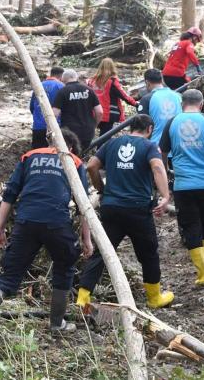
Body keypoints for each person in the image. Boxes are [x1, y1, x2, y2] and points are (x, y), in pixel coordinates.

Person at [0, 130, 93, 351]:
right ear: (72, 146)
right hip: (57, 223)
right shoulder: (73, 161)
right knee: (64, 267)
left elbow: (9, 195)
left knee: (9, 276)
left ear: (48, 140)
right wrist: (87, 240)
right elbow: (84, 206)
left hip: (26, 222)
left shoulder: (29, 156)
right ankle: (57, 323)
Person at [76, 114, 174, 310]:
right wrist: (165, 195)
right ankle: (154, 298)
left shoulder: (112, 143)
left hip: (111, 207)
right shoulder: (149, 147)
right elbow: (157, 167)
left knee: (103, 252)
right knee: (148, 254)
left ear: (131, 128)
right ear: (149, 130)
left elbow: (92, 166)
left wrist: (101, 188)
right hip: (137, 209)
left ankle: (82, 298)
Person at [159, 89, 204, 286]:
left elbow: (162, 154)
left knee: (190, 226)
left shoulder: (172, 123)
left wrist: (165, 180)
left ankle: (202, 275)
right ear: (202, 103)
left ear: (182, 104)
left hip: (184, 184)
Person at [52, 69, 103, 152]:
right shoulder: (89, 90)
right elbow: (100, 112)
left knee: (71, 157)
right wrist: (94, 125)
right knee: (82, 155)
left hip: (69, 132)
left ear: (63, 80)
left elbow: (54, 113)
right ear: (76, 77)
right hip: (87, 130)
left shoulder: (62, 92)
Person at [88, 58, 138, 136]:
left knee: (93, 136)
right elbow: (124, 96)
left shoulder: (91, 81)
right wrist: (136, 104)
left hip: (93, 113)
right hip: (107, 114)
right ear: (112, 67)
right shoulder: (112, 82)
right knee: (104, 138)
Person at [136, 69, 182, 145]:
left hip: (156, 147)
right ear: (162, 80)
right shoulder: (178, 96)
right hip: (178, 145)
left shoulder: (147, 99)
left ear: (147, 83)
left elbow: (141, 128)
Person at [30, 66, 65, 149]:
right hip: (55, 126)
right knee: (54, 153)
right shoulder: (61, 86)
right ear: (61, 76)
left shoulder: (38, 85)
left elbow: (32, 107)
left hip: (38, 126)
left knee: (37, 152)